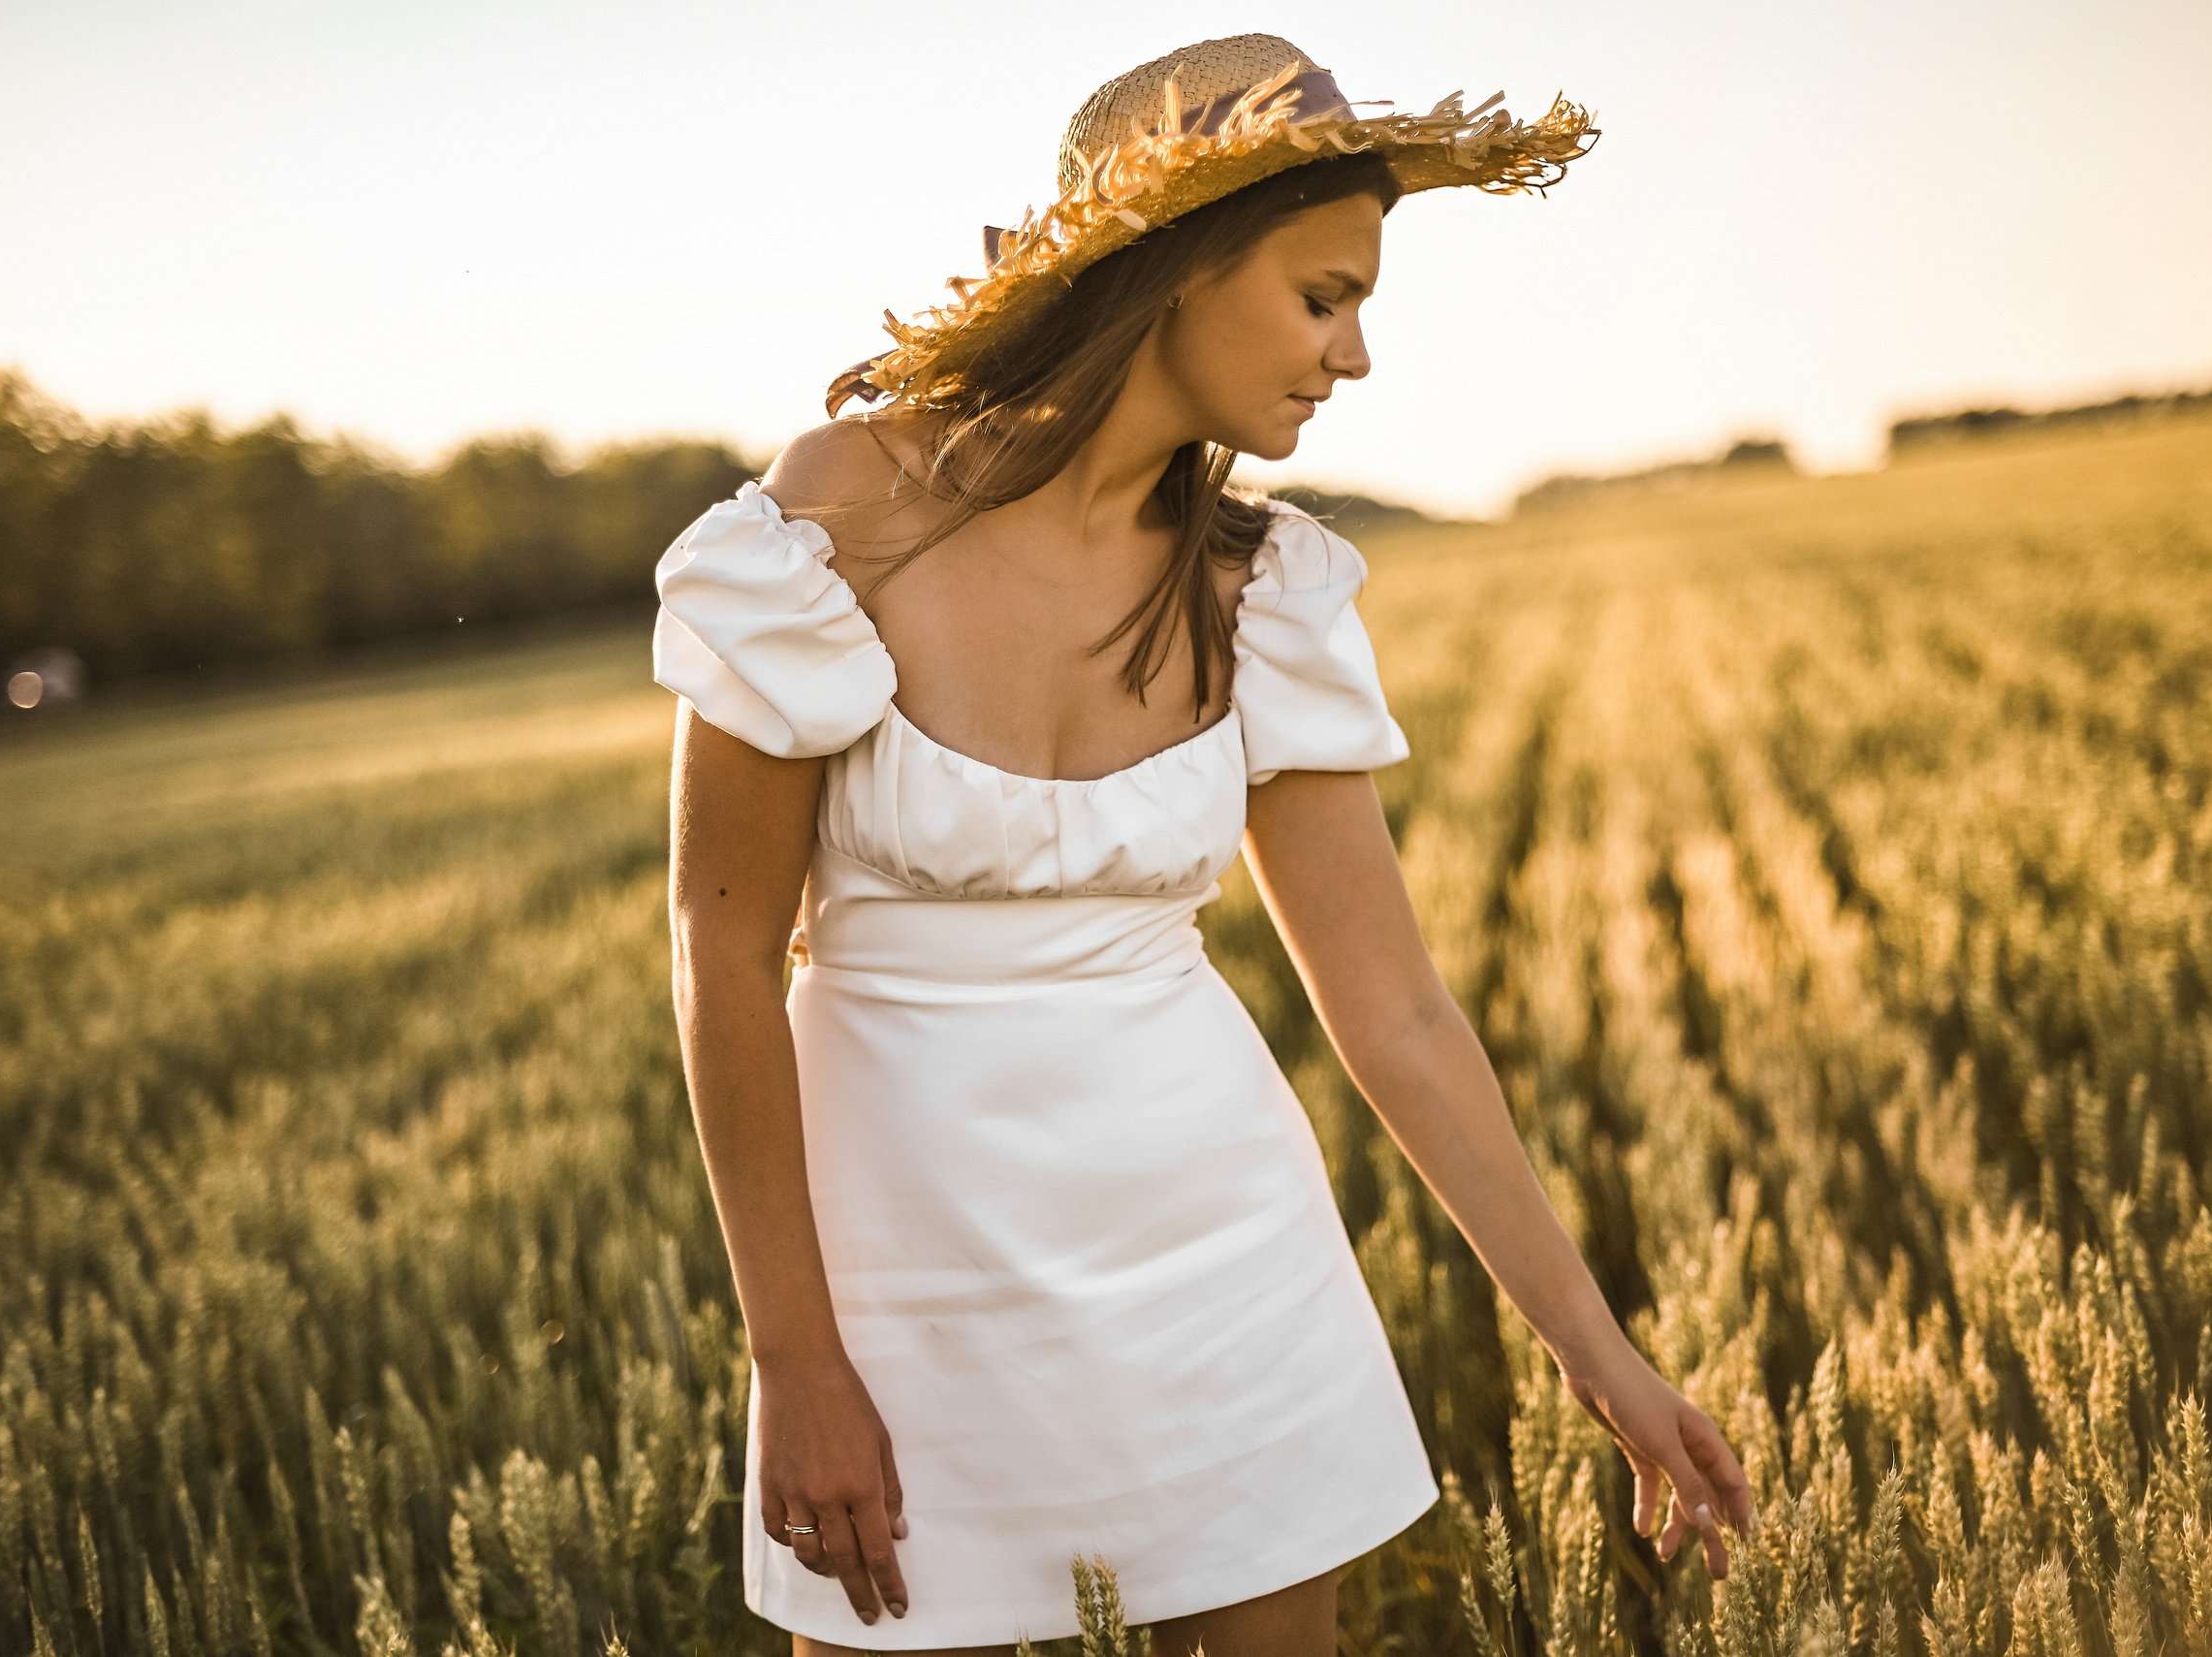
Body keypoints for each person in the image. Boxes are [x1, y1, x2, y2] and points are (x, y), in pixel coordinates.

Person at [656, 34, 1753, 1655]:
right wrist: (795, 1357)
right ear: (1175, 268)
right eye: (1325, 296)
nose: (1356, 354)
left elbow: (1393, 1011)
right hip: (900, 1301)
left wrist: (1599, 1352)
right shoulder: (842, 516)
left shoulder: (1269, 590)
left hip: (1223, 1275)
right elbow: (722, 945)